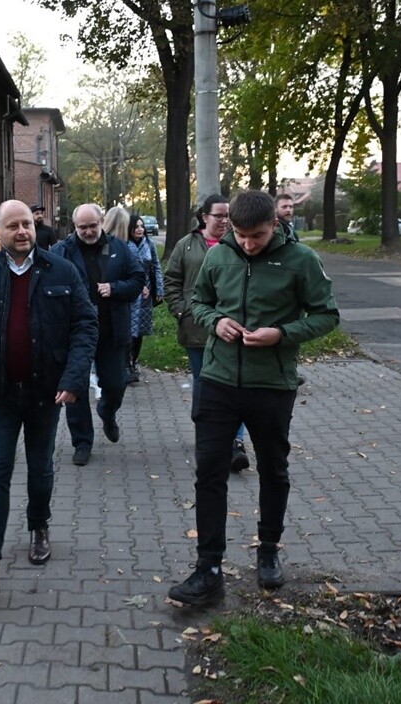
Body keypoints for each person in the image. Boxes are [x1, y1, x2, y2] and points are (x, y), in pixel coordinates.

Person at [168, 190, 339, 606]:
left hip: (272, 385)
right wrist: (216, 322)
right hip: (217, 381)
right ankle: (208, 568)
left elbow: (326, 314)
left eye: (257, 236)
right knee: (209, 473)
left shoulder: (301, 260)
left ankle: (268, 550)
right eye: (241, 235)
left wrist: (281, 334)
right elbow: (200, 302)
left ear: (275, 225)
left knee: (273, 470)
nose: (247, 243)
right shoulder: (218, 255)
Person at [0, 200, 98, 594]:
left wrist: (73, 378)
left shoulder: (62, 270)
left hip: (43, 392)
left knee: (40, 469)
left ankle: (39, 526)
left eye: (26, 225)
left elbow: (86, 325)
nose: (22, 232)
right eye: (13, 226)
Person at [163, 195, 251, 474]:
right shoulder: (186, 245)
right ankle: (206, 426)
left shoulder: (239, 242)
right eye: (219, 216)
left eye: (228, 216)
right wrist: (181, 310)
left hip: (233, 330)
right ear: (205, 217)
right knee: (204, 382)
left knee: (236, 384)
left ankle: (236, 442)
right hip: (197, 330)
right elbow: (171, 280)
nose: (225, 221)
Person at [52, 203, 145, 466]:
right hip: (75, 333)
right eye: (83, 227)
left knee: (116, 384)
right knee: (76, 388)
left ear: (102, 221)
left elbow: (138, 279)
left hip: (112, 330)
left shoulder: (119, 247)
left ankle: (107, 410)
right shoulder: (62, 251)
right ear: (74, 227)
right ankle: (82, 442)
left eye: (93, 225)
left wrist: (115, 288)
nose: (89, 231)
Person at [126, 213, 163, 384]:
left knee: (140, 330)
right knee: (128, 330)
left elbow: (156, 266)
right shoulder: (124, 245)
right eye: (137, 226)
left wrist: (159, 289)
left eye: (142, 226)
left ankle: (134, 361)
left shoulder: (149, 244)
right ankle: (127, 364)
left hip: (146, 295)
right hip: (130, 294)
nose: (140, 229)